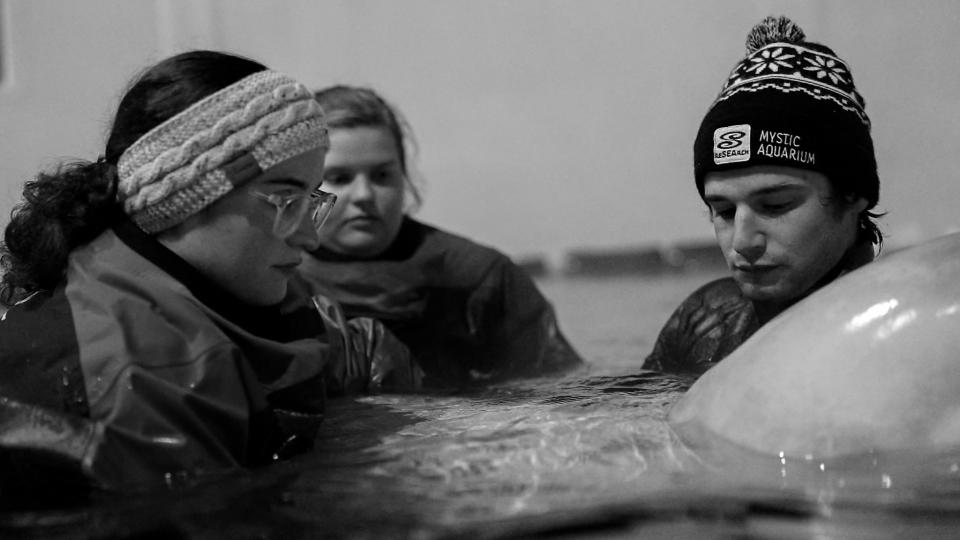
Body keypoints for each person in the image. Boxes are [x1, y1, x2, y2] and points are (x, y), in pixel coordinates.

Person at [0, 51, 420, 494]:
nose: (309, 239)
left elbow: (354, 351)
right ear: (185, 197)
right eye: (284, 201)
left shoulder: (221, 287)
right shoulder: (142, 376)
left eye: (311, 202)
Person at [288, 85, 583, 387]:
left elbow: (558, 388)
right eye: (339, 178)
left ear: (405, 178)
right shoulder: (279, 279)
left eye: (382, 176)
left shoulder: (480, 278)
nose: (364, 194)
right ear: (305, 183)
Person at [642, 16, 883, 374]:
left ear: (853, 195)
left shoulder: (906, 336)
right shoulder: (706, 321)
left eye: (774, 205)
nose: (742, 242)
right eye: (722, 211)